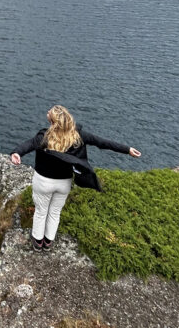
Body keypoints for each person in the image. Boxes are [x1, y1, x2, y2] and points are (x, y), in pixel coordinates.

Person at [10, 105, 141, 252]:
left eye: (50, 112)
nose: (47, 112)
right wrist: (127, 149)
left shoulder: (44, 136)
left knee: (41, 211)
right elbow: (103, 142)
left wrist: (17, 153)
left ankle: (37, 242)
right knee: (55, 212)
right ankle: (48, 243)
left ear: (53, 121)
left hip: (43, 182)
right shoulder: (78, 136)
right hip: (64, 183)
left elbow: (28, 144)